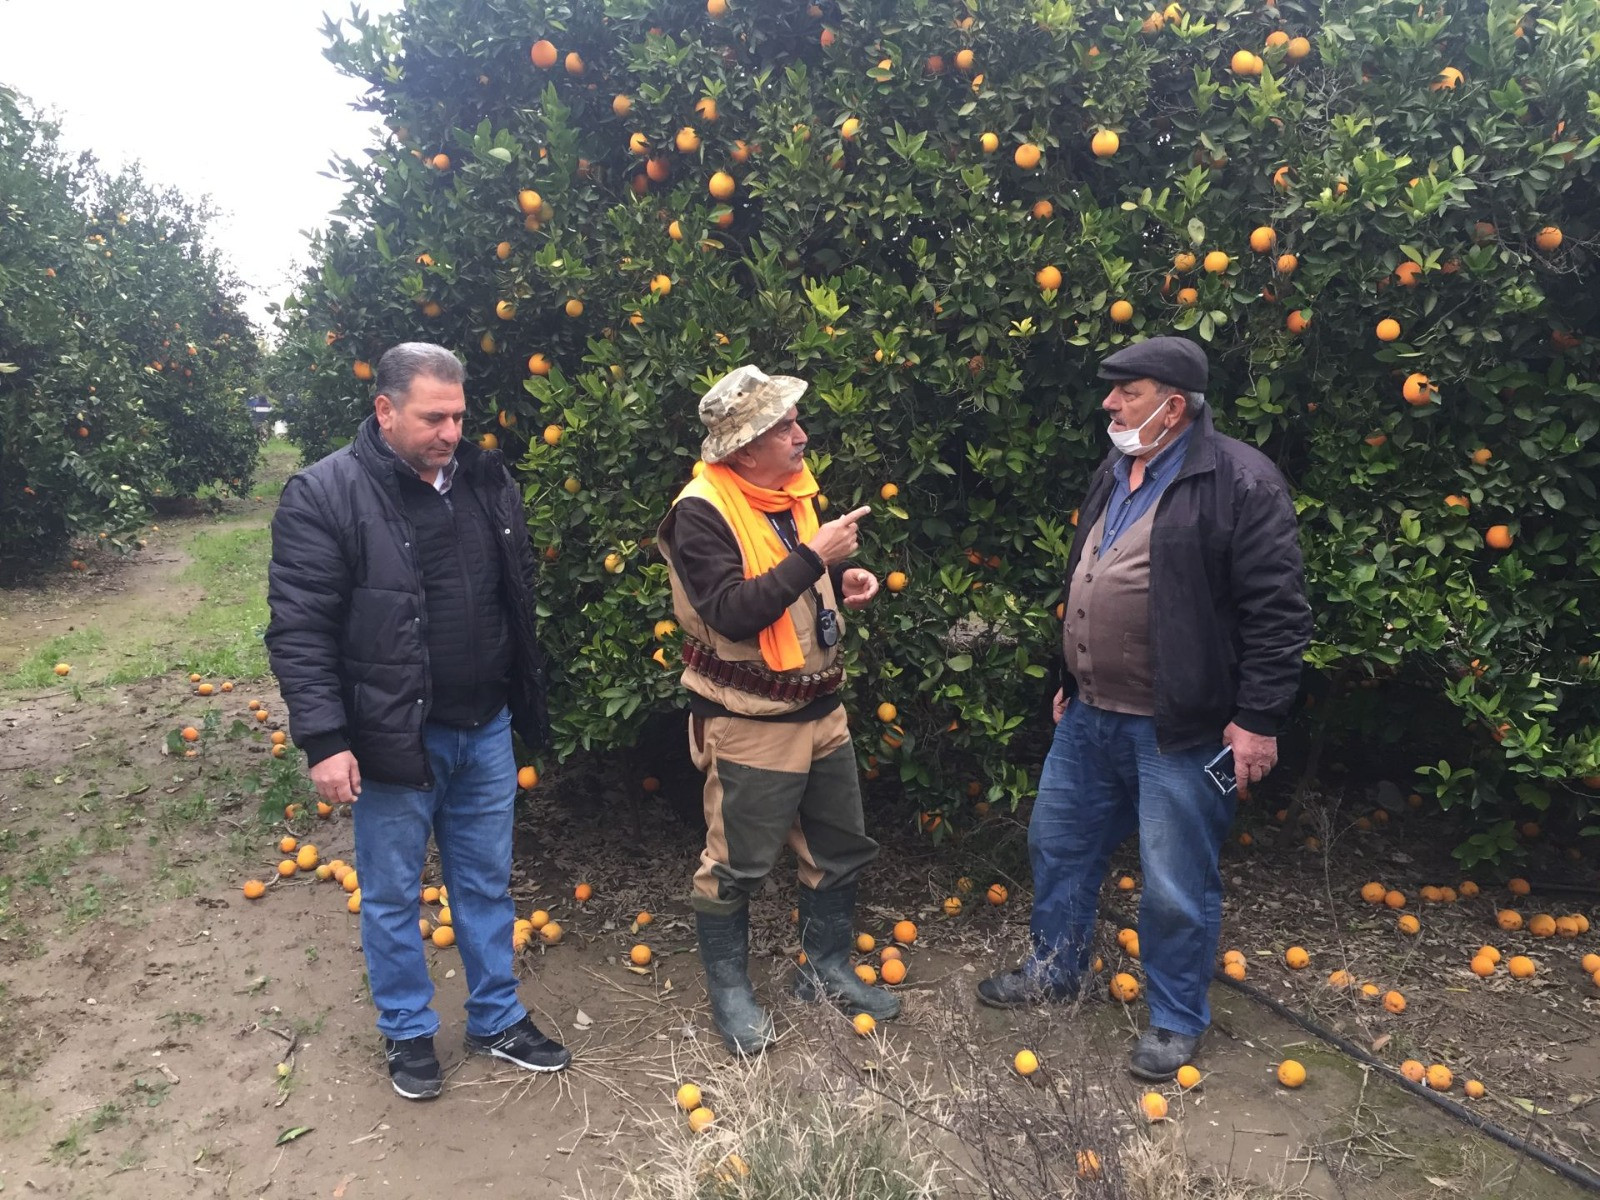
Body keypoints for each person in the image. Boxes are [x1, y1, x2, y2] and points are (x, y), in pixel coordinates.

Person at [978, 337, 1312, 1082]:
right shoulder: (1114, 471)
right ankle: (1056, 970)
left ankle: (1174, 1018)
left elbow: (1279, 613)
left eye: (1127, 391)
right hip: (1091, 714)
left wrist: (1257, 719)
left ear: (1175, 405)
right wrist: (1067, 673)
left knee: (1173, 880)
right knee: (1056, 847)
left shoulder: (1240, 481)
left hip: (1181, 730)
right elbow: (1090, 573)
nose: (1110, 403)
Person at [266, 342, 569, 1100]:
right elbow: (299, 628)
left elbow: (513, 592)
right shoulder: (325, 494)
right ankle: (407, 1032)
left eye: (460, 416)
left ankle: (496, 1017)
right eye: (434, 417)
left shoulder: (484, 479)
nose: (450, 433)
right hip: (393, 733)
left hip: (486, 726)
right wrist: (326, 739)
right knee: (395, 892)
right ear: (385, 411)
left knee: (486, 883)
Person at [656, 364, 900, 1055]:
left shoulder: (786, 495)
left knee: (838, 846)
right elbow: (732, 612)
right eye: (785, 426)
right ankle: (731, 993)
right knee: (736, 863)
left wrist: (836, 576)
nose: (802, 434)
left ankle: (822, 970)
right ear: (745, 446)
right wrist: (813, 557)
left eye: (795, 421)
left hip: (821, 709)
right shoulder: (700, 512)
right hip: (749, 721)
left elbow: (790, 576)